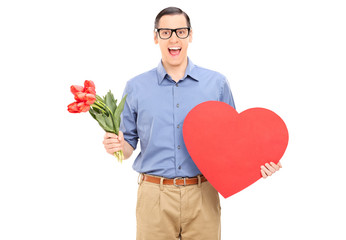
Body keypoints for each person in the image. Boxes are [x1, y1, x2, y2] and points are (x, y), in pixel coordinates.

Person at [103, 7, 282, 240]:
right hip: (154, 197)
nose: (174, 38)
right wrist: (117, 146)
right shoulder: (136, 87)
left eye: (180, 31)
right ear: (156, 36)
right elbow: (127, 147)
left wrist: (259, 165)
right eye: (166, 32)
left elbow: (234, 143)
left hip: (203, 194)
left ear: (190, 35)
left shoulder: (216, 84)